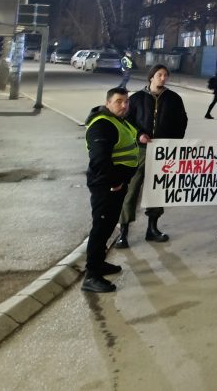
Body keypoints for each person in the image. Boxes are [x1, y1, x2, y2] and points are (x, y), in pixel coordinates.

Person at [115, 64, 188, 249]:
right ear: (151, 77)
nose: (163, 78)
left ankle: (152, 229)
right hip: (140, 150)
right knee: (132, 189)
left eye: (165, 75)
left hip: (163, 152)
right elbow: (127, 121)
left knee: (158, 190)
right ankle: (123, 232)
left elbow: (182, 121)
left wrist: (174, 142)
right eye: (159, 75)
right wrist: (138, 134)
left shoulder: (173, 99)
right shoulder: (138, 98)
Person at [82, 87, 139, 293]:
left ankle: (99, 263)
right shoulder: (102, 125)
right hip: (106, 185)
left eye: (126, 101)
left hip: (115, 184)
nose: (124, 105)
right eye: (118, 101)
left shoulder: (117, 121)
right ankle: (91, 275)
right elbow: (99, 160)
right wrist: (115, 181)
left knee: (107, 227)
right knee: (101, 227)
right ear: (108, 103)